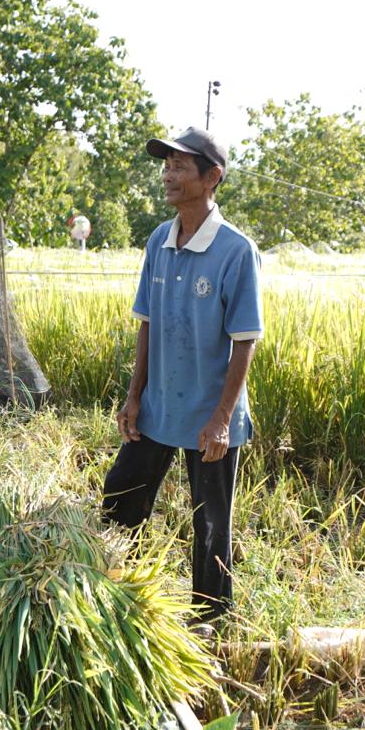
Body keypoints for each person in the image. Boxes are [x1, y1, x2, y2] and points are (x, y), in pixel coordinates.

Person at [101, 127, 263, 625]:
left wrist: (220, 419)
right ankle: (109, 598)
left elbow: (245, 339)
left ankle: (212, 625)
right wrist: (134, 397)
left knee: (211, 525)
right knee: (119, 501)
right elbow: (147, 323)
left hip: (209, 419)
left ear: (212, 177)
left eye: (180, 166)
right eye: (165, 165)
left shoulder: (236, 251)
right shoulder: (159, 240)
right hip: (159, 407)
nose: (168, 175)